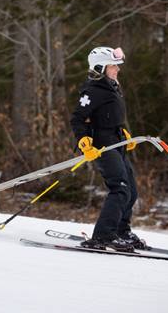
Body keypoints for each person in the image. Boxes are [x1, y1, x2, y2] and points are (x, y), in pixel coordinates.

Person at [70, 46, 146, 252]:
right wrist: (84, 140)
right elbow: (78, 119)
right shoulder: (92, 90)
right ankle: (103, 236)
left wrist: (123, 133)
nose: (117, 70)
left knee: (131, 191)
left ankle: (121, 231)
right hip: (102, 145)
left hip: (116, 141)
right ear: (100, 67)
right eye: (114, 66)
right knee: (120, 188)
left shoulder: (112, 86)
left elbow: (109, 115)